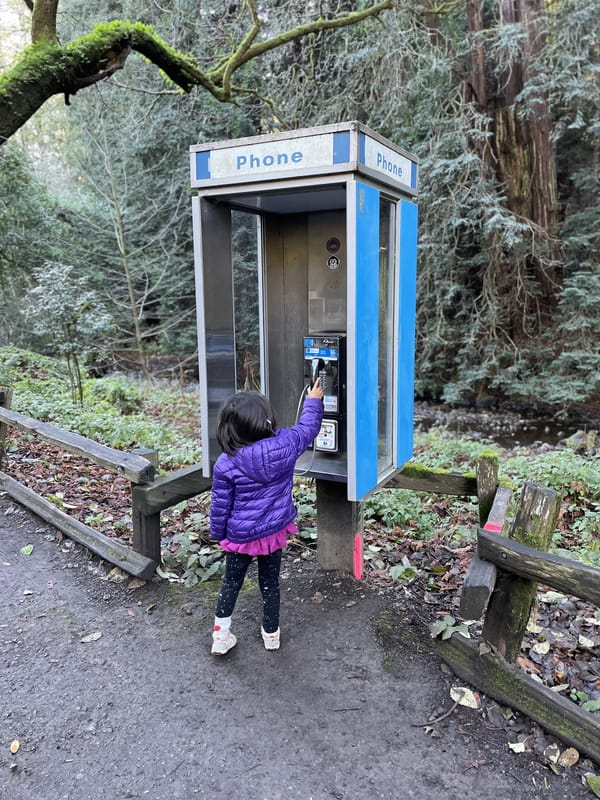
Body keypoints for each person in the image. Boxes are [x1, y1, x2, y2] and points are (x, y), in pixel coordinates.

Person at [209, 378, 324, 655]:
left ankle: (221, 637)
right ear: (267, 421)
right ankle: (271, 634)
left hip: (241, 536)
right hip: (272, 533)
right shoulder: (286, 446)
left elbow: (220, 505)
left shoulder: (226, 463)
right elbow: (307, 429)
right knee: (270, 583)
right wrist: (314, 399)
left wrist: (218, 534)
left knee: (231, 583)